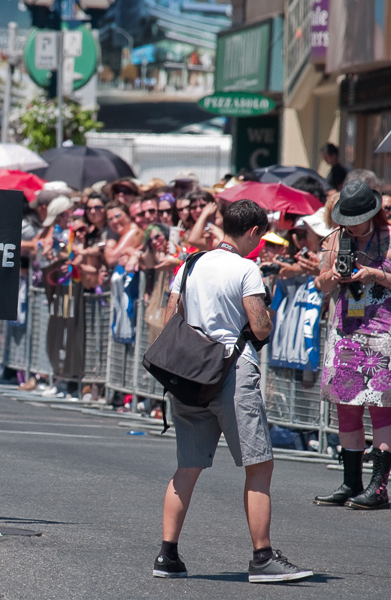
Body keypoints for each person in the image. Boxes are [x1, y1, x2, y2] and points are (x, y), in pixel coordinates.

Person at [153, 199, 313, 583]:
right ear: (255, 232)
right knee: (259, 466)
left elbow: (170, 316)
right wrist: (266, 313)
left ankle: (167, 555)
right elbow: (259, 327)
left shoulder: (190, 263)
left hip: (189, 371)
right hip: (230, 370)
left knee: (187, 467)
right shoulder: (246, 269)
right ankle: (262, 557)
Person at [313, 180, 391, 509]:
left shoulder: (388, 237)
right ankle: (351, 482)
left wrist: (374, 273)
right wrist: (333, 276)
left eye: (357, 219)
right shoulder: (336, 239)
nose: (351, 226)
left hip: (381, 332)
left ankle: (378, 486)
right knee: (347, 406)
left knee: (381, 407)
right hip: (346, 331)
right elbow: (320, 283)